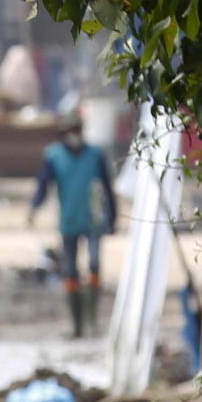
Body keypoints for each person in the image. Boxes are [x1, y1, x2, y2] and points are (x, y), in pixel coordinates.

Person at [29, 119, 119, 335]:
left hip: (93, 221)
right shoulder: (54, 156)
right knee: (70, 271)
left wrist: (112, 217)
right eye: (70, 131)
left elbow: (107, 188)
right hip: (68, 221)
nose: (74, 135)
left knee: (94, 265)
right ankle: (77, 325)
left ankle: (92, 320)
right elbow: (44, 185)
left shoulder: (95, 155)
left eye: (77, 130)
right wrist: (33, 208)